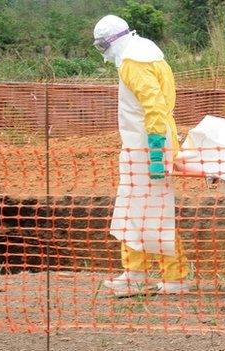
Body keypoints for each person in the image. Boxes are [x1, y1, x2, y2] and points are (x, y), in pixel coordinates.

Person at [93, 15, 190, 297]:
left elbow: (155, 107)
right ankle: (135, 273)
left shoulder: (133, 63)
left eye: (101, 46)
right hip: (141, 147)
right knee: (133, 212)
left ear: (109, 42)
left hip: (148, 149)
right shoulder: (146, 54)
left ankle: (175, 276)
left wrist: (158, 151)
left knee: (156, 214)